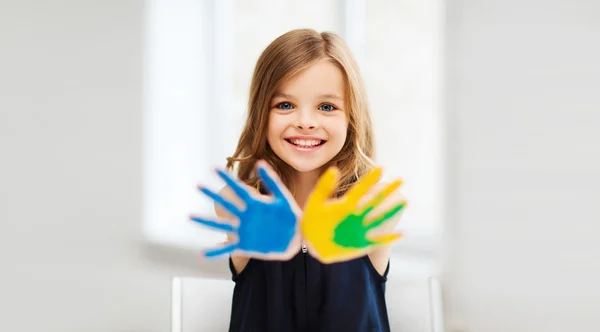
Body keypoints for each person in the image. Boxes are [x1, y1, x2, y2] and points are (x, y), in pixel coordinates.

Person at [215, 28, 404, 332]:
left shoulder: (374, 205)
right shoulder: (241, 204)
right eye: (285, 105)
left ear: (351, 118)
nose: (305, 121)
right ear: (261, 113)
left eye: (327, 107)